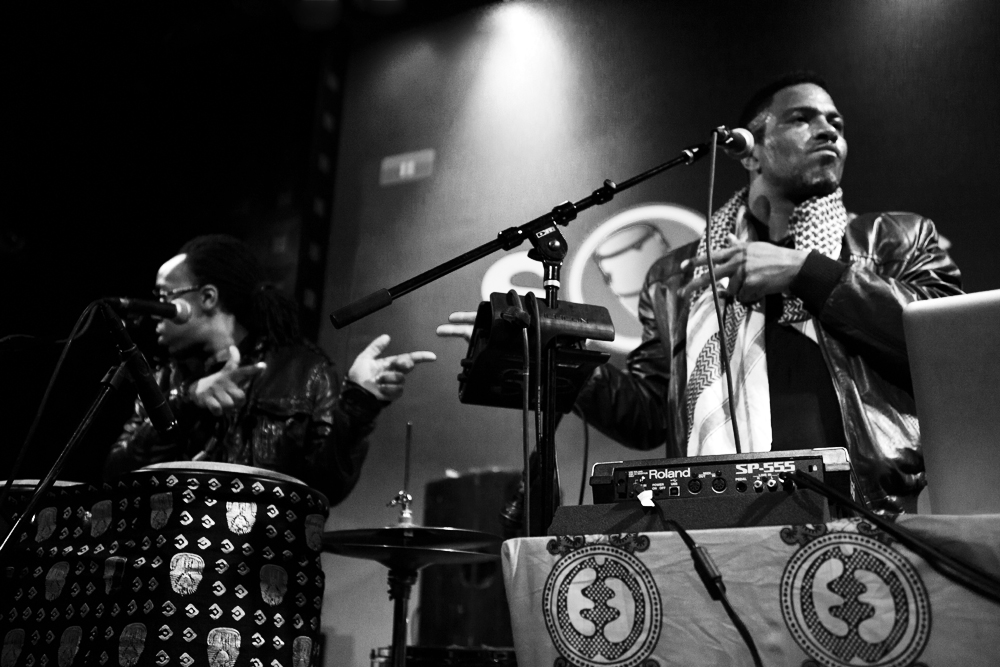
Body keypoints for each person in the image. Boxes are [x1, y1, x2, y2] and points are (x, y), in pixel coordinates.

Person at [439, 72, 962, 514]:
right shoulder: (677, 275)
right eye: (802, 118)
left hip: (871, 510)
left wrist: (807, 272)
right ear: (750, 152)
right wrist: (559, 358)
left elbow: (946, 348)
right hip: (725, 518)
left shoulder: (896, 238)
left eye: (837, 124)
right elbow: (649, 416)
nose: (828, 130)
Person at [105, 234, 436, 505]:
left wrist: (358, 403)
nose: (155, 310)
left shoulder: (306, 371)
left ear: (207, 297)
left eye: (165, 295)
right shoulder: (164, 379)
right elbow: (115, 474)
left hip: (265, 560)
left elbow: (328, 488)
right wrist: (187, 399)